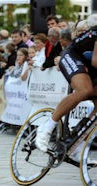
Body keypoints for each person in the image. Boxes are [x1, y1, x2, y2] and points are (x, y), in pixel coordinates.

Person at [35, 14, 97, 159]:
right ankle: (47, 127)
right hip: (73, 56)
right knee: (84, 90)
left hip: (89, 66)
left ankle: (76, 143)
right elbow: (95, 60)